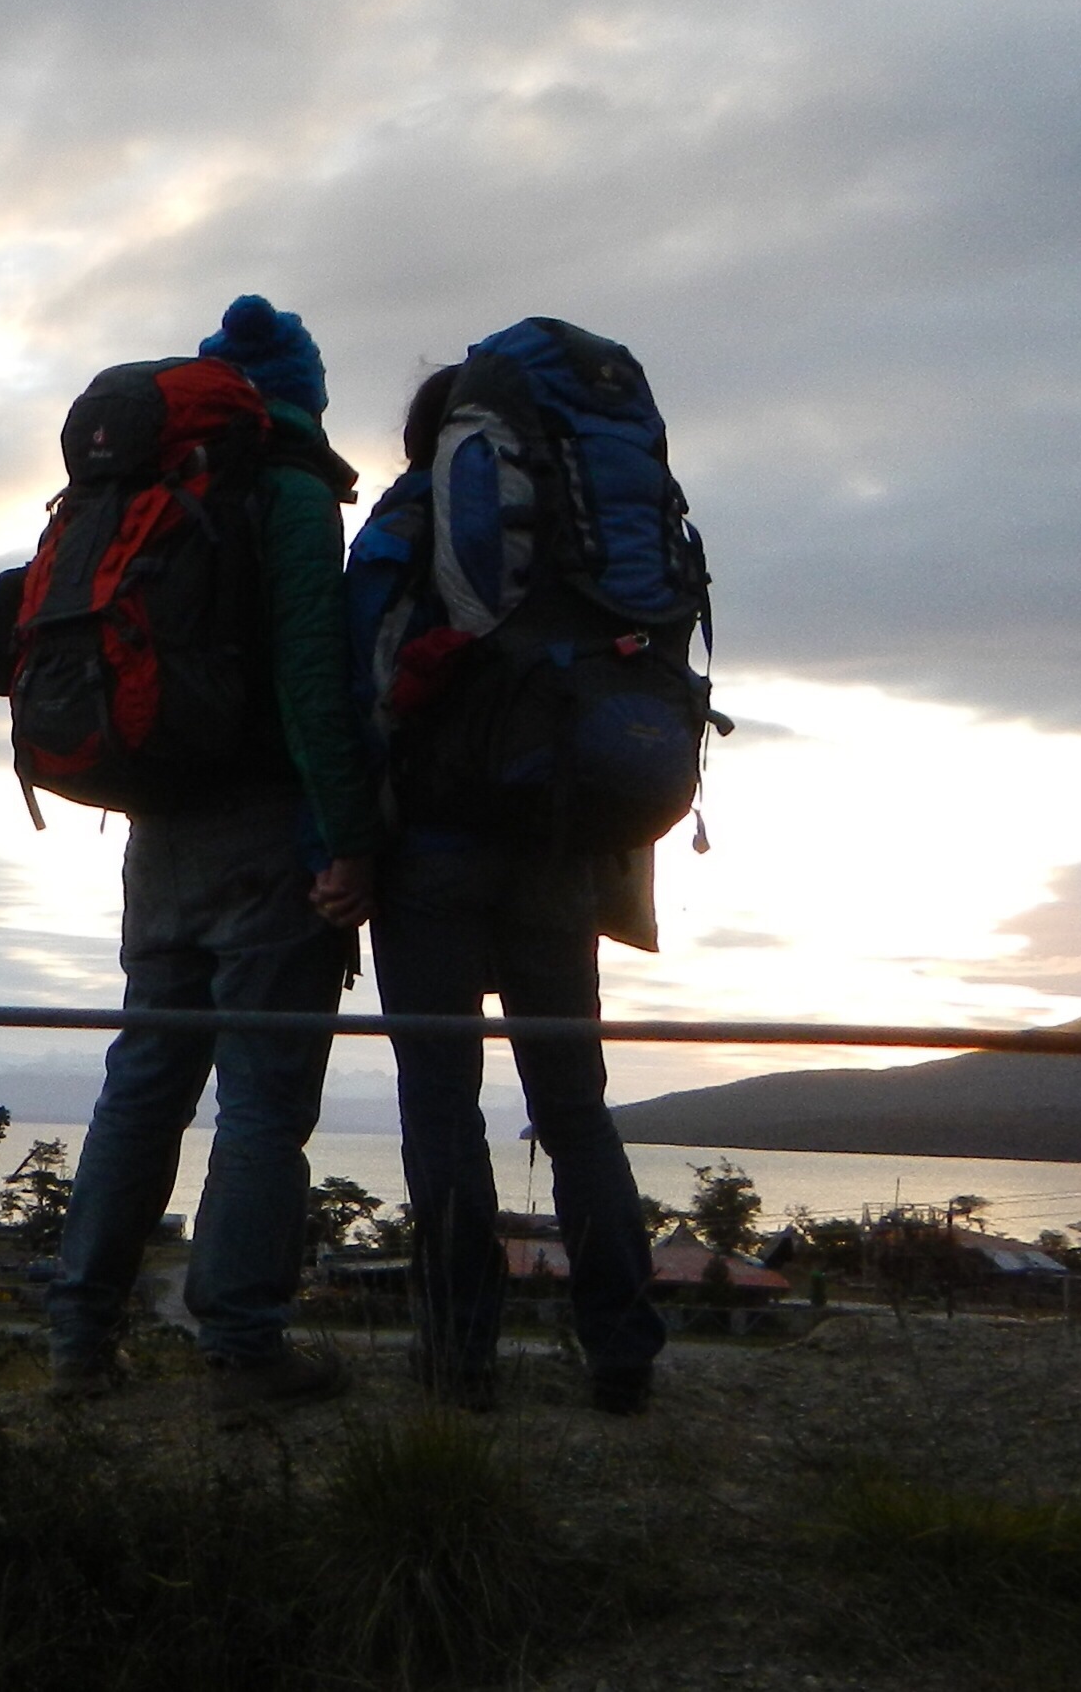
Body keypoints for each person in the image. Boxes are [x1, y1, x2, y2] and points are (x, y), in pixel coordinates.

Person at [37, 296, 383, 1413]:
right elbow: (310, 682)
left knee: (140, 1088)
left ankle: (79, 1340)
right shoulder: (283, 494)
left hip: (158, 833)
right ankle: (241, 1347)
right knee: (261, 1102)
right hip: (259, 836)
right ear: (301, 397)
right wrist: (345, 837)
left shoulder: (133, 486)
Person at [350, 335, 690, 1415]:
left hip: (433, 860)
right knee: (574, 1105)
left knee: (441, 1107)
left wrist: (344, 842)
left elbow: (358, 674)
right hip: (559, 860)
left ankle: (459, 1362)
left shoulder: (410, 519)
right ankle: (622, 1353)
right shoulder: (581, 547)